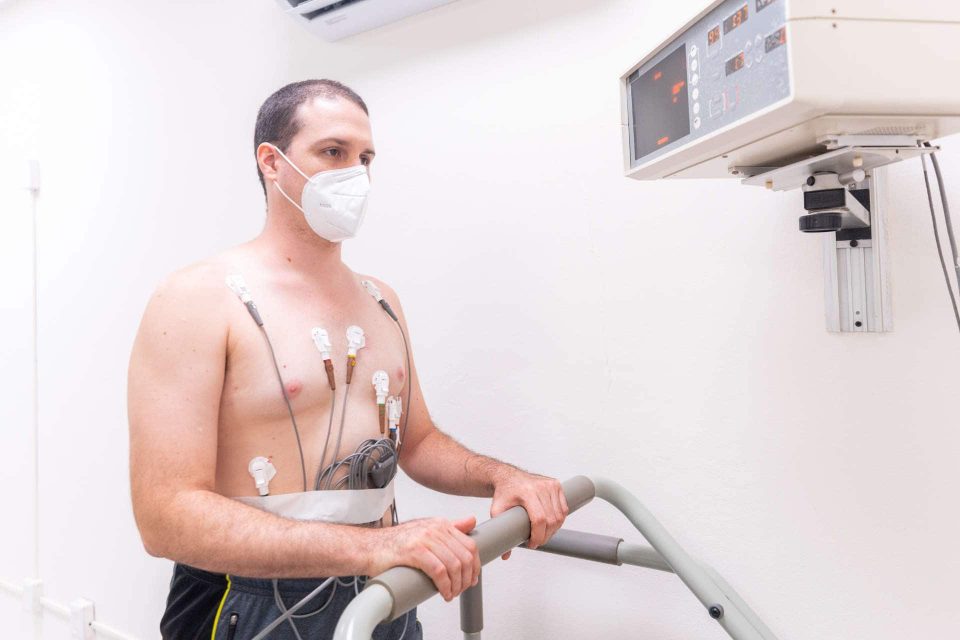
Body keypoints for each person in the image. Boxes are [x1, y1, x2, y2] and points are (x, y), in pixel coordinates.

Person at [127, 79, 569, 639]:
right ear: (272, 161)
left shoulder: (381, 301)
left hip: (385, 588)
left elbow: (417, 442)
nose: (355, 175)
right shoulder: (198, 299)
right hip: (250, 599)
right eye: (333, 152)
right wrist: (372, 547)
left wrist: (504, 478)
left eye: (366, 158)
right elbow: (164, 516)